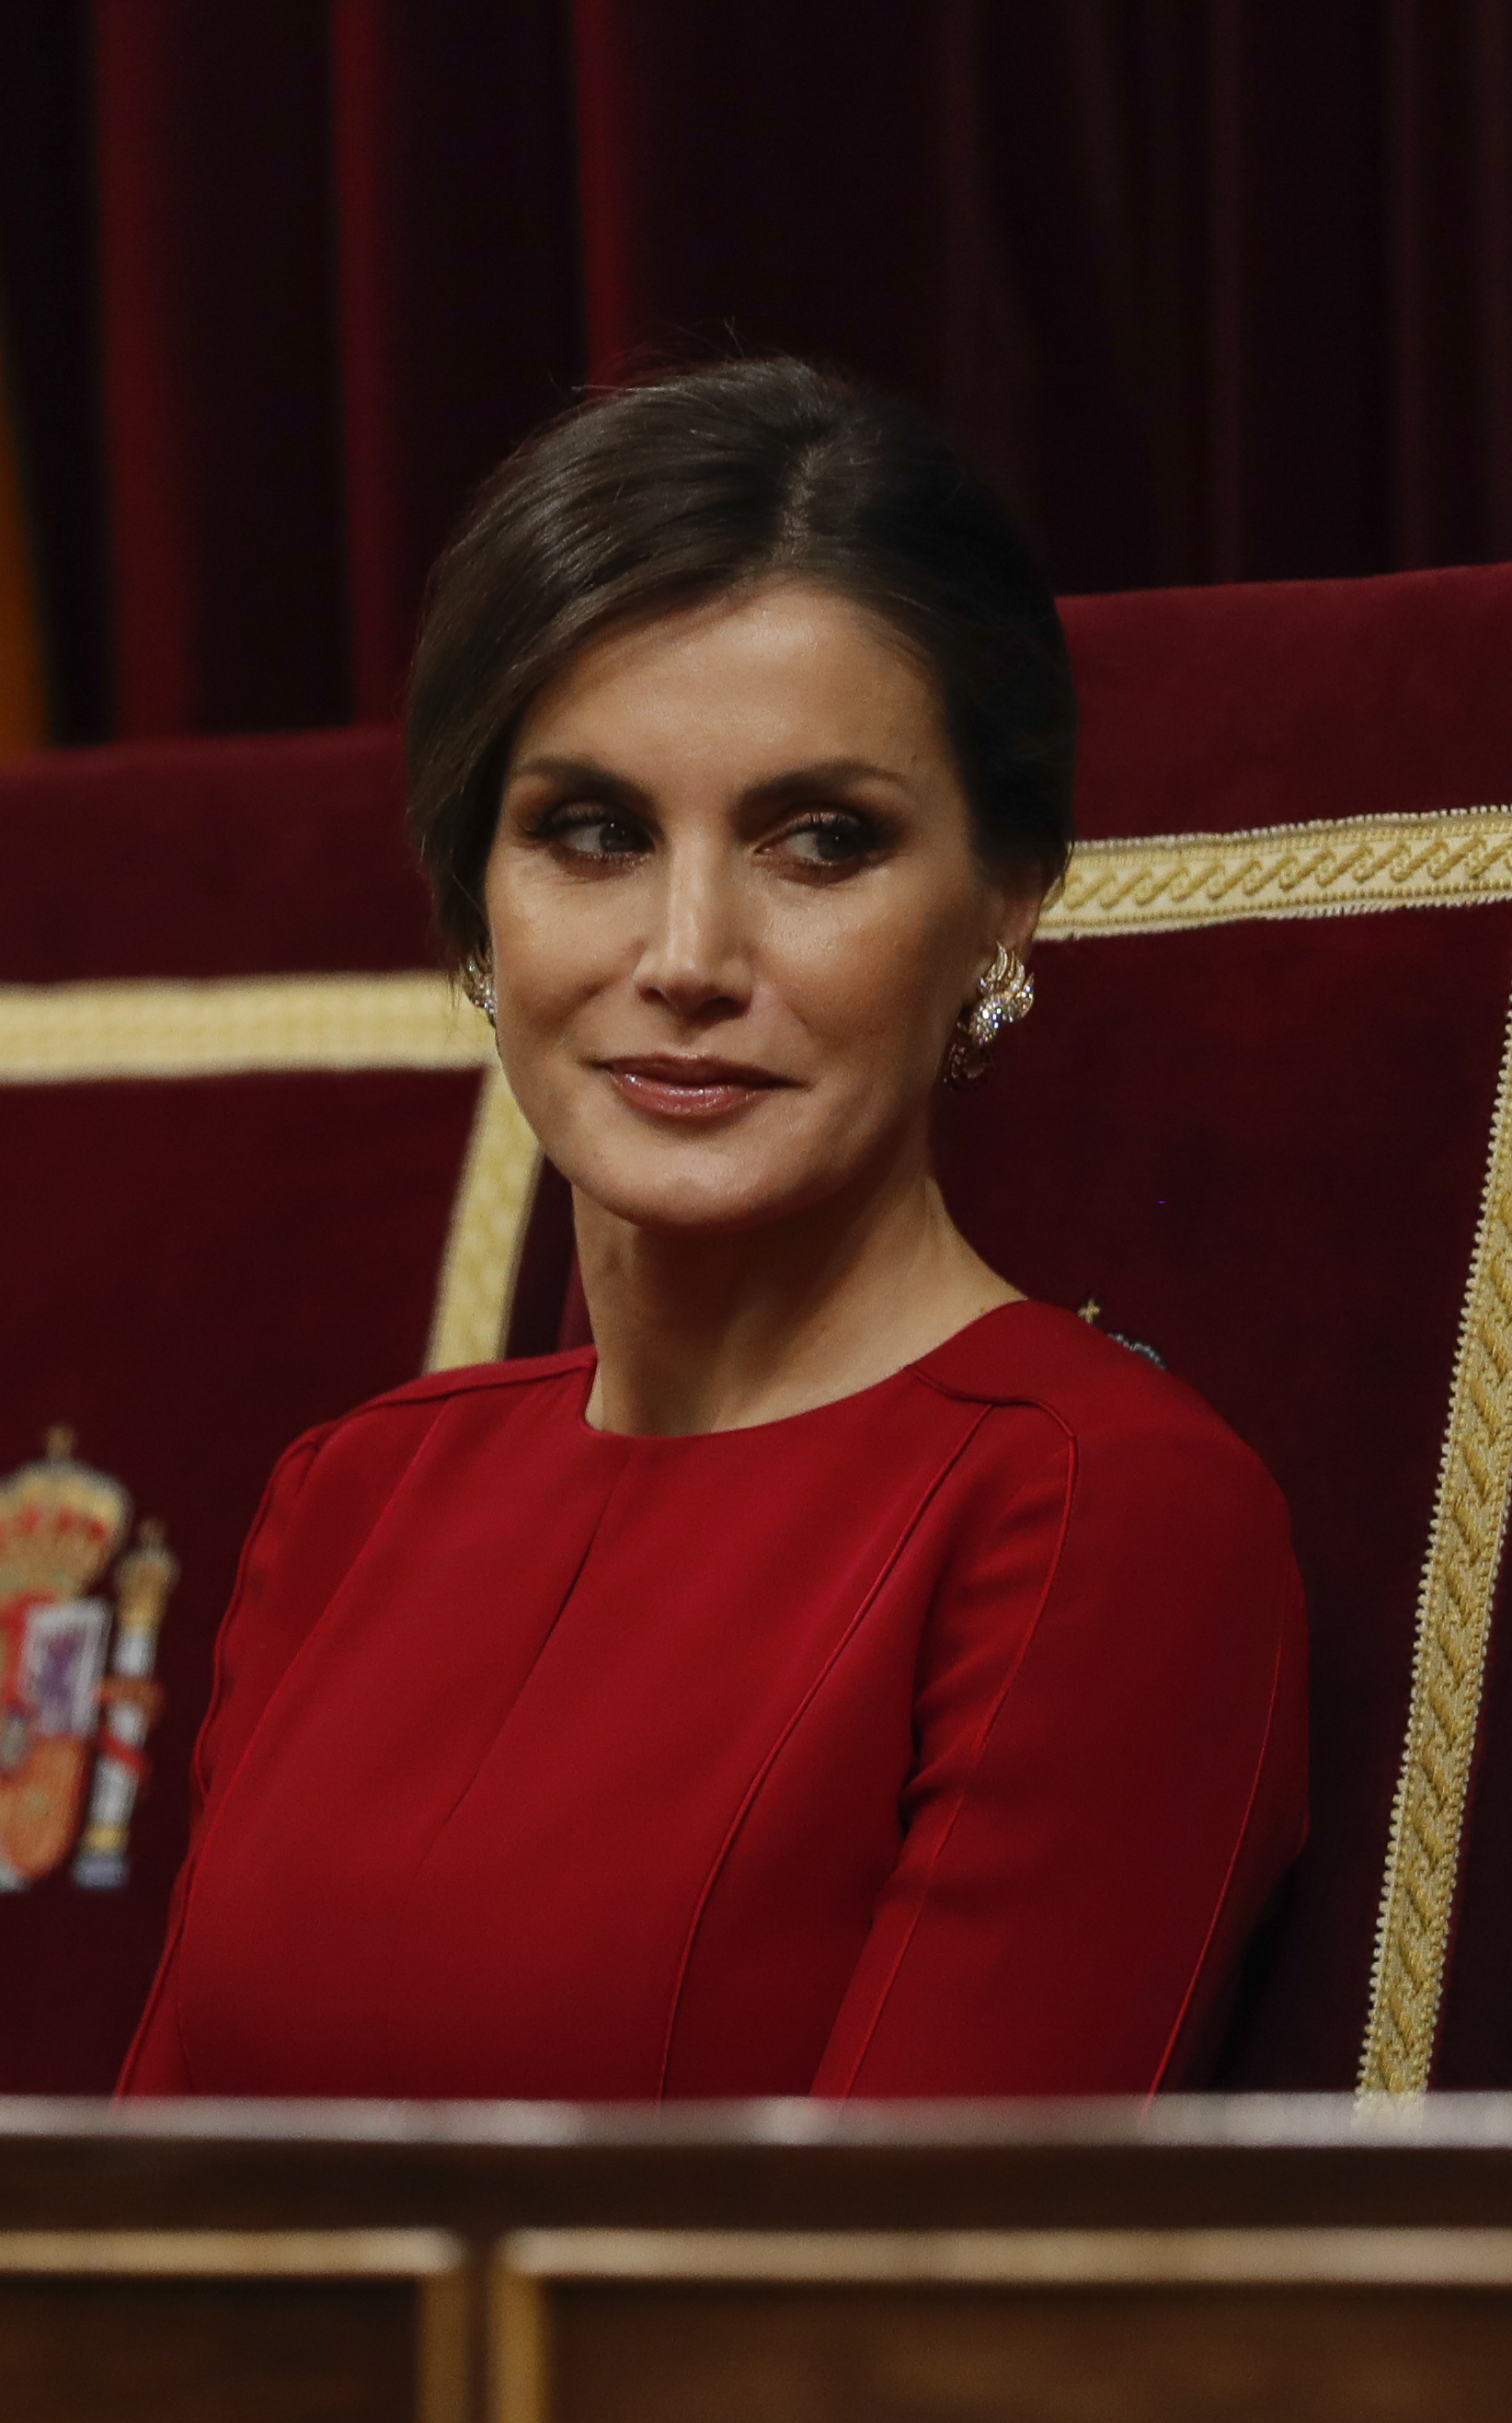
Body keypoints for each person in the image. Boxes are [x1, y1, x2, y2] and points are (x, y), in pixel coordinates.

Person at [120, 360, 1306, 2101]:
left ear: (1004, 901)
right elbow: (133, 2228)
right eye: (589, 832)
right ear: (477, 899)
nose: (686, 953)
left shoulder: (1100, 1515)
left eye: (820, 840)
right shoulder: (351, 1499)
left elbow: (890, 2326)